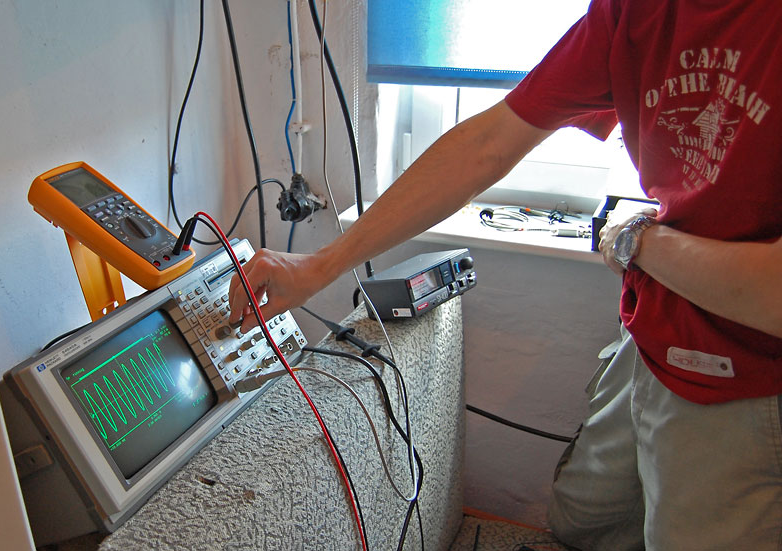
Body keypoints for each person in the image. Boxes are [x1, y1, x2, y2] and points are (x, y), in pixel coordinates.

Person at [229, 0, 782, 548]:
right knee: (582, 521)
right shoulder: (632, 15)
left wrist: (638, 243)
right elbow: (487, 144)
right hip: (655, 331)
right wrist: (320, 265)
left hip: (752, 375)